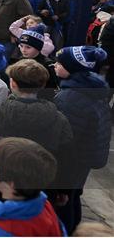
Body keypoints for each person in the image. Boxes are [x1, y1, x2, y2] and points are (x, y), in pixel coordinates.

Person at [0, 59, 73, 207]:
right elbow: (67, 158)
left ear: (12, 83)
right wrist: (65, 190)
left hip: (3, 184)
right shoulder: (59, 119)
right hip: (43, 187)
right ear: (43, 85)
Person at [53, 46, 111, 233]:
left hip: (71, 162)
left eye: (59, 63)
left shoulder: (70, 98)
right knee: (74, 196)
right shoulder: (91, 89)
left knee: (63, 203)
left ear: (72, 69)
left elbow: (66, 140)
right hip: (84, 158)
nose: (54, 65)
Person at [18, 24, 58, 101]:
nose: (23, 50)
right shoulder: (20, 60)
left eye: (28, 47)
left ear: (38, 47)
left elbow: (51, 88)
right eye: (21, 46)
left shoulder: (47, 65)